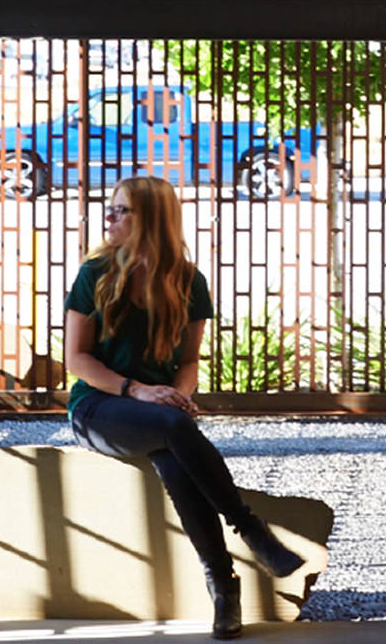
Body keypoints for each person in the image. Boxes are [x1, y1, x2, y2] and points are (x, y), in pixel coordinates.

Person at [64, 176, 304, 640]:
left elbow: (190, 360)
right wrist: (137, 390)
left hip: (159, 414)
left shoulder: (189, 281)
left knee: (176, 465)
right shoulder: (95, 273)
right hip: (98, 409)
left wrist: (178, 393)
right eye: (109, 210)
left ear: (151, 219)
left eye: (120, 211)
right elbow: (76, 359)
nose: (108, 218)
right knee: (172, 431)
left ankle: (223, 586)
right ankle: (249, 529)